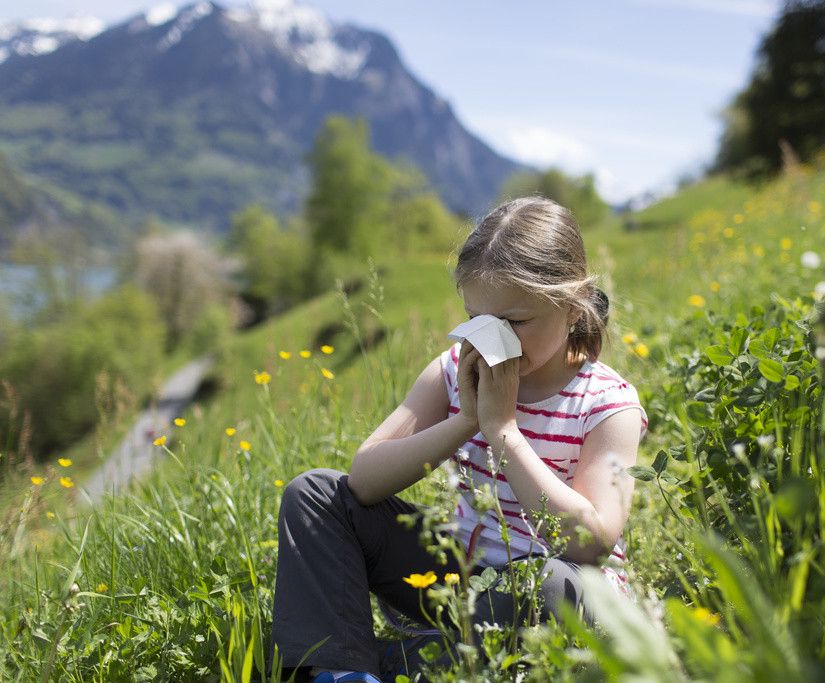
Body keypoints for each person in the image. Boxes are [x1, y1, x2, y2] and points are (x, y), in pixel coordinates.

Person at [271, 197, 648, 682]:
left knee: (551, 584)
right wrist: (467, 419)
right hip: (460, 581)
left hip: (554, 592)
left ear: (572, 306)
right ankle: (344, 673)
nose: (494, 341)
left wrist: (504, 431)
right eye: (477, 320)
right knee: (315, 493)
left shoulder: (604, 403)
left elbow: (589, 546)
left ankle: (407, 663)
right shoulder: (453, 371)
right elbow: (363, 481)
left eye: (514, 322)